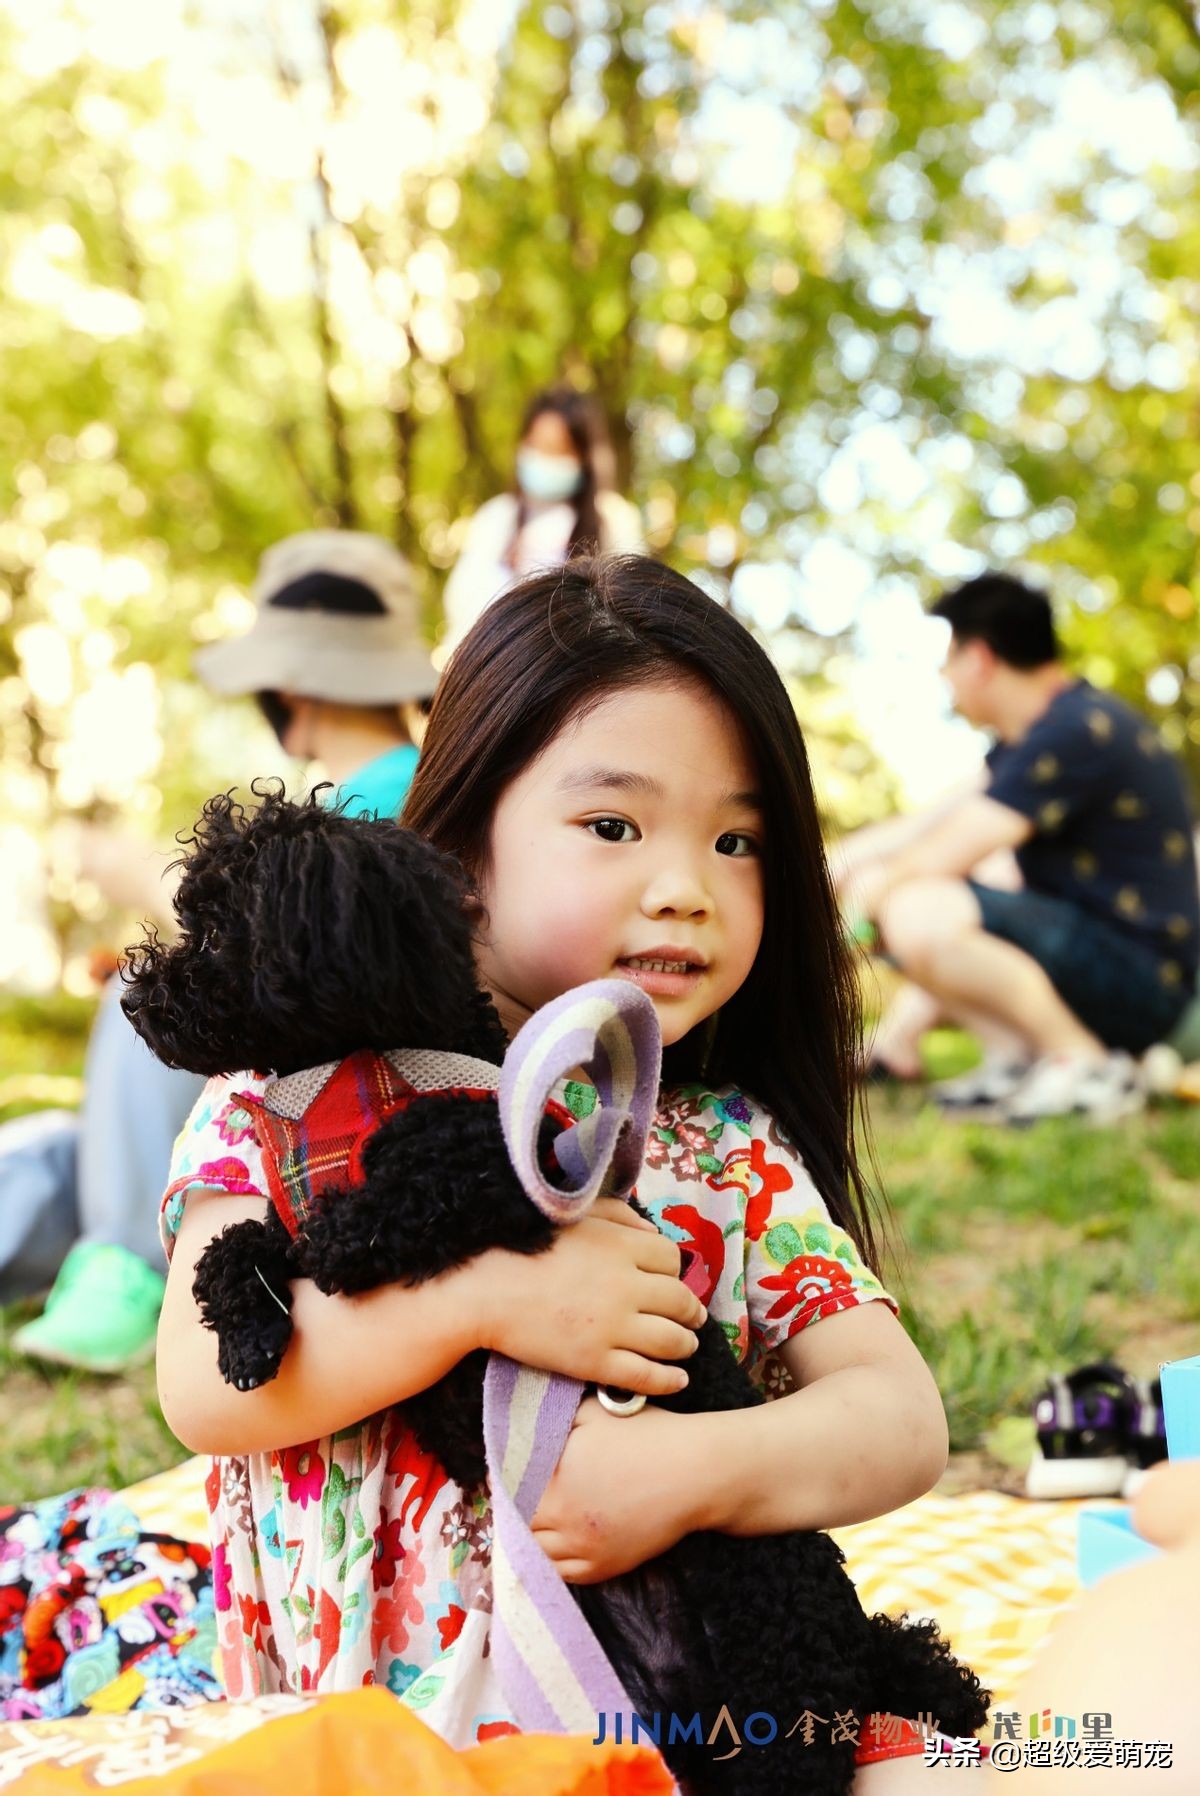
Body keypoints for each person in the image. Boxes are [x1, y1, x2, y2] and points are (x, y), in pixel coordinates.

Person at [155, 554, 972, 1785]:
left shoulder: (718, 1143)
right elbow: (206, 1381)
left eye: (738, 838)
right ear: (465, 842)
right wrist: (482, 1298)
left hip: (670, 1736)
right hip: (372, 1745)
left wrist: (689, 1474)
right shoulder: (288, 1102)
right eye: (614, 826)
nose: (686, 888)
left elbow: (900, 1417)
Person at [11, 530, 436, 1373]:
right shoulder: (376, 789)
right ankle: (110, 1259)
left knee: (134, 998)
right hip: (268, 1117)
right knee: (58, 1152)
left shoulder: (404, 796)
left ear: (291, 685)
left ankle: (127, 1270)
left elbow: (299, 958)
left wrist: (146, 879)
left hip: (320, 1116)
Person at [843, 572, 1200, 1125]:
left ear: (980, 659)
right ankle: (1016, 1059)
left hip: (1147, 984)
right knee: (903, 895)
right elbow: (928, 824)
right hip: (1116, 966)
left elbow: (944, 854)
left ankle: (1084, 1064)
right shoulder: (1041, 737)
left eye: (948, 659)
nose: (944, 676)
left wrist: (858, 914)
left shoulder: (1074, 730)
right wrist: (835, 872)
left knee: (916, 906)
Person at [439, 386, 643, 655]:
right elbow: (460, 605)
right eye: (535, 445)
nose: (543, 459)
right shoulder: (496, 517)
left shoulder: (614, 519)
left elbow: (629, 612)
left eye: (558, 450)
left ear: (584, 457)